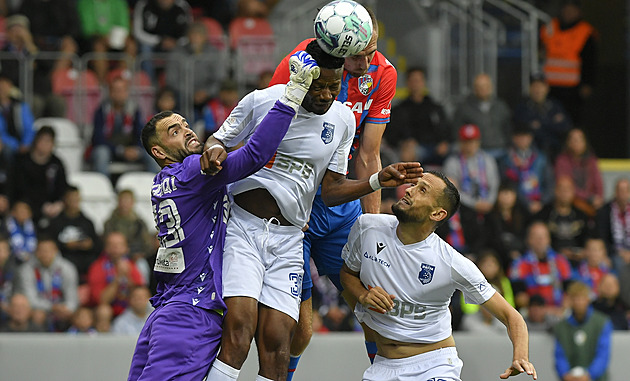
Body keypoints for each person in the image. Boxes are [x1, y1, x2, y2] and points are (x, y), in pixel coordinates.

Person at [206, 40, 420, 381]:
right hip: (245, 229)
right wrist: (213, 151)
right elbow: (219, 139)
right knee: (240, 331)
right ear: (302, 80)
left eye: (333, 88)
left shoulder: (343, 119)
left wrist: (377, 181)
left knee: (279, 342)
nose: (325, 95)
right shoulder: (262, 101)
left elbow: (333, 189)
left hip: (290, 236)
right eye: (317, 87)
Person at [128, 50, 321, 380]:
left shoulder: (163, 183)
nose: (187, 131)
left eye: (185, 124)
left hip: (165, 313)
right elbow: (256, 154)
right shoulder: (192, 172)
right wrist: (291, 96)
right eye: (174, 131)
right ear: (158, 152)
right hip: (193, 312)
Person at [267, 7, 400, 376]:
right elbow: (269, 133)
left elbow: (369, 153)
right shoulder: (298, 64)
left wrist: (372, 226)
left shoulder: (383, 73)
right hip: (297, 204)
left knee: (374, 308)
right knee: (300, 331)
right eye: (357, 55)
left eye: (371, 50)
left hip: (342, 202)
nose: (366, 61)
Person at [340, 170, 537, 381]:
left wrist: (521, 356)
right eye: (414, 185)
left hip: (435, 365)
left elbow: (512, 317)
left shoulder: (452, 263)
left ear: (437, 214)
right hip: (383, 365)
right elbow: (347, 274)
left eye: (422, 190)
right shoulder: (367, 227)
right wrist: (362, 294)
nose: (409, 190)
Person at [540, 0, 597, 125]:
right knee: (549, 119)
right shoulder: (550, 27)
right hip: (549, 86)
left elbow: (590, 61)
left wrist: (587, 83)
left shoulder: (585, 32)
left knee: (571, 120)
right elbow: (540, 50)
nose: (568, 13)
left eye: (572, 10)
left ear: (578, 12)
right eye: (566, 9)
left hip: (572, 88)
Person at [90, 76, 154, 178]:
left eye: (121, 90)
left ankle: (158, 188)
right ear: (110, 93)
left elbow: (142, 134)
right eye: (115, 90)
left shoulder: (134, 110)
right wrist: (120, 150)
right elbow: (97, 138)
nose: (118, 94)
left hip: (131, 149)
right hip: (110, 150)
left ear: (127, 92)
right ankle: (104, 189)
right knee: (101, 153)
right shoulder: (102, 110)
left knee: (153, 153)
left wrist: (136, 149)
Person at [386, 67, 451, 166]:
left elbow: (446, 130)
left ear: (424, 82)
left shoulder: (435, 108)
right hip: (412, 149)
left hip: (435, 147)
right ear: (407, 83)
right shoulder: (399, 109)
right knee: (407, 154)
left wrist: (444, 142)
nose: (415, 84)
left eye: (418, 80)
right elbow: (391, 134)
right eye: (413, 81)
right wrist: (404, 142)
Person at [15, 237, 79, 331]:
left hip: (62, 308)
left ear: (56, 251)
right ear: (36, 252)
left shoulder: (67, 268)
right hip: (40, 308)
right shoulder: (26, 269)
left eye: (48, 250)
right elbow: (30, 300)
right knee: (38, 315)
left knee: (80, 316)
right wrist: (52, 307)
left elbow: (72, 298)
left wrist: (66, 309)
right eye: (41, 251)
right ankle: (38, 344)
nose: (45, 254)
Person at [553, 281, 612, 381]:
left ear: (588, 299)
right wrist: (565, 374)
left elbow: (603, 354)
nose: (579, 302)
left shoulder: (602, 322)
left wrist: (589, 375)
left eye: (582, 298)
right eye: (575, 298)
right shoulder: (561, 326)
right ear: (570, 300)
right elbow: (559, 355)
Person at [509, 221, 573, 311]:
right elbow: (520, 298)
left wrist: (560, 309)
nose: (540, 240)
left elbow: (570, 292)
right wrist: (541, 311)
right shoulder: (519, 264)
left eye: (544, 236)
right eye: (536, 237)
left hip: (559, 313)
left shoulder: (561, 261)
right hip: (532, 313)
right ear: (528, 240)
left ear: (549, 239)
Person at [10, 126, 68, 224]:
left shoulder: (57, 164)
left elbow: (62, 188)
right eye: (42, 140)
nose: (45, 144)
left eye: (48, 141)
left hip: (51, 208)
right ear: (36, 141)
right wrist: (40, 206)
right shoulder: (22, 161)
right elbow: (18, 188)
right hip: (27, 205)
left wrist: (59, 204)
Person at [443, 124, 500, 220]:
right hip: (464, 208)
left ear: (478, 142)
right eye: (466, 142)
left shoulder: (488, 160)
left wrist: (489, 202)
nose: (470, 145)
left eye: (473, 141)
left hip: (488, 205)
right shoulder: (452, 162)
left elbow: (494, 184)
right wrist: (473, 204)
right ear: (460, 143)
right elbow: (453, 190)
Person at [512, 72, 572, 161]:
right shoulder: (522, 108)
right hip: (532, 154)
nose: (537, 90)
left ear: (547, 88)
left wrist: (540, 124)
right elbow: (524, 131)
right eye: (534, 86)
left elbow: (565, 127)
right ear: (529, 88)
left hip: (555, 151)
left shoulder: (555, 106)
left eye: (540, 86)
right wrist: (552, 123)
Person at [452, 73, 512, 159]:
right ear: (474, 88)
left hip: (501, 151)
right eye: (479, 86)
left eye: (486, 86)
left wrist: (508, 145)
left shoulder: (501, 106)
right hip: (476, 152)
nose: (483, 89)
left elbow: (508, 128)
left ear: (491, 87)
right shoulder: (464, 108)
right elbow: (457, 131)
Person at [47, 186, 100, 283]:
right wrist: (65, 246)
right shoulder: (55, 222)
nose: (74, 200)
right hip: (64, 259)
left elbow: (97, 245)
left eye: (76, 197)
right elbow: (50, 245)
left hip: (85, 260)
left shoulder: (87, 222)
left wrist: (90, 244)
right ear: (64, 200)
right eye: (71, 198)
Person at [87, 231, 145, 317]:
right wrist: (118, 277)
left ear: (126, 248)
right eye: (112, 245)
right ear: (106, 248)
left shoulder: (132, 265)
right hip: (109, 311)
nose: (116, 248)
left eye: (119, 245)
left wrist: (128, 276)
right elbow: (101, 300)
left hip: (129, 309)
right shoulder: (97, 267)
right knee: (103, 311)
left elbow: (139, 293)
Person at [500, 123, 554, 215]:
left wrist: (542, 202)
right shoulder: (507, 159)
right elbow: (508, 185)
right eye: (519, 136)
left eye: (526, 136)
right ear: (513, 138)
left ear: (531, 138)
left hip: (541, 204)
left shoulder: (541, 158)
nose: (523, 139)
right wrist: (526, 203)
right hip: (517, 205)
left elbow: (550, 182)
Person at [554, 128, 604, 216]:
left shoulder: (591, 160)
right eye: (574, 140)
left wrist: (598, 198)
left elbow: (598, 182)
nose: (577, 143)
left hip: (592, 201)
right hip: (571, 200)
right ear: (568, 143)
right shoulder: (562, 161)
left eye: (580, 139)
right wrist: (588, 197)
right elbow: (565, 186)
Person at [596, 178, 630, 270]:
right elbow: (602, 238)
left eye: (625, 190)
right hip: (613, 253)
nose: (623, 193)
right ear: (615, 192)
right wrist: (621, 253)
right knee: (619, 263)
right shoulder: (604, 212)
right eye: (620, 190)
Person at [0, 75, 36, 159]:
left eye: (4, 86)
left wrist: (25, 143)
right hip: (6, 145)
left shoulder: (21, 106)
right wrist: (15, 145)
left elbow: (29, 128)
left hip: (23, 144)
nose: (2, 89)